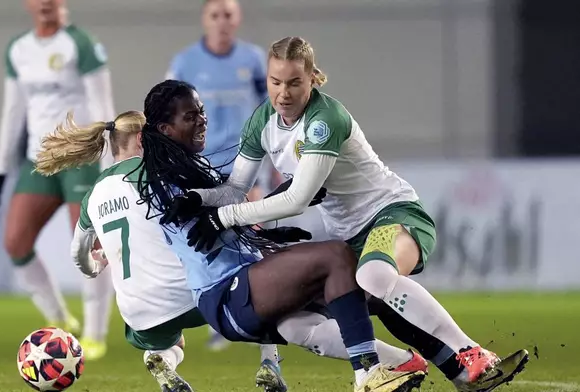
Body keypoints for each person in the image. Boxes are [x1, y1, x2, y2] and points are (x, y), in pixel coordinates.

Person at [163, 36, 530, 392]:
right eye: (275, 82)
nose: (283, 93)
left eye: (294, 83)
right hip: (350, 235)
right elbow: (235, 189)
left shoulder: (324, 119)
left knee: (373, 276)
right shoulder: (264, 119)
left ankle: (469, 351)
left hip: (391, 214)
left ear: (312, 79)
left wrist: (225, 218)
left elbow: (296, 199)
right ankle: (459, 375)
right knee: (349, 307)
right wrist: (199, 199)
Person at [33, 108, 429, 392]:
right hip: (194, 294)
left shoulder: (94, 195)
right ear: (144, 139)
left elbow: (77, 256)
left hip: (140, 313)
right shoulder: (164, 174)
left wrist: (95, 264)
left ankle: (163, 361)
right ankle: (274, 365)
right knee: (274, 302)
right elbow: (227, 214)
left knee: (170, 338)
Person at [0, 0, 115, 360]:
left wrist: (107, 165)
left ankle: (94, 334)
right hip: (38, 159)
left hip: (80, 157)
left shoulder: (82, 44)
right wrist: (1, 166)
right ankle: (61, 320)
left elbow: (102, 105)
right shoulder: (19, 49)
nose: (46, 3)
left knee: (89, 246)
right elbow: (13, 110)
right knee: (16, 243)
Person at [166, 0, 280, 349]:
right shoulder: (185, 63)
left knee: (252, 237)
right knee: (208, 241)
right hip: (200, 166)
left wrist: (276, 163)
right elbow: (167, 113)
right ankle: (221, 314)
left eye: (228, 15)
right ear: (205, 20)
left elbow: (272, 111)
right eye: (215, 15)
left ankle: (266, 320)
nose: (222, 22)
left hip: (247, 162)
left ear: (238, 18)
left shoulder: (253, 59)